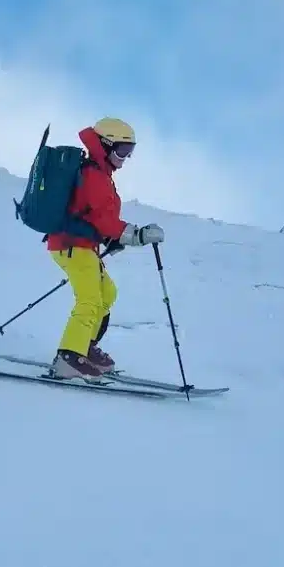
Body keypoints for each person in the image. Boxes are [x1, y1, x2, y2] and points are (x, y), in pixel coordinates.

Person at [45, 117, 165, 380]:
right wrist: (137, 235)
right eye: (122, 150)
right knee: (89, 300)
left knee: (106, 293)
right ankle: (68, 358)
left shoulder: (101, 174)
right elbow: (104, 219)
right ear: (105, 145)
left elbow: (93, 217)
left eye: (130, 152)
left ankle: (83, 347)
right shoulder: (94, 176)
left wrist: (114, 239)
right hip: (71, 245)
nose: (126, 157)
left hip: (82, 245)